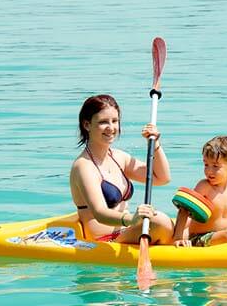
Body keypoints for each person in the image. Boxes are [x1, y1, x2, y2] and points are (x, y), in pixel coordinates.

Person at [70, 94, 174, 244]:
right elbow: (99, 213)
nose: (111, 128)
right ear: (87, 125)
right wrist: (132, 219)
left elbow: (161, 178)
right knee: (160, 221)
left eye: (115, 121)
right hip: (104, 241)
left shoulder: (119, 157)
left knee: (178, 224)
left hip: (125, 231)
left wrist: (155, 143)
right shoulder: (83, 166)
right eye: (103, 122)